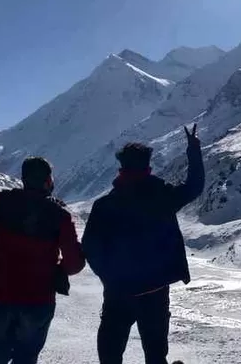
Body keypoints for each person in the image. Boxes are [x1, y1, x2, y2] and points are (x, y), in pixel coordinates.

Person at [0, 125, 85, 364]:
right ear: (49, 180)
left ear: (24, 179)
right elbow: (74, 264)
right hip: (38, 302)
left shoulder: (3, 203)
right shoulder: (59, 215)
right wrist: (59, 268)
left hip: (4, 297)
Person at [82, 124, 205, 364]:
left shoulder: (105, 205)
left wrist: (110, 278)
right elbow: (194, 187)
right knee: (156, 355)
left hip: (118, 293)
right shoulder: (163, 197)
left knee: (110, 354)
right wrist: (193, 150)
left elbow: (90, 247)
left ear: (121, 168)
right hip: (155, 293)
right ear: (148, 167)